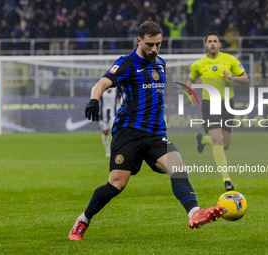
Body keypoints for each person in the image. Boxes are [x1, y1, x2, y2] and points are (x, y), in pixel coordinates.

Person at [68, 21, 225, 241]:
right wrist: (94, 100)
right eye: (150, 44)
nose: (154, 49)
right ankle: (83, 220)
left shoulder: (161, 63)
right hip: (128, 132)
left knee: (178, 167)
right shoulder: (126, 63)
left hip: (155, 134)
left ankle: (194, 213)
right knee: (117, 184)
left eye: (158, 44)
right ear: (139, 40)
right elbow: (102, 83)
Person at [186, 32, 249, 191]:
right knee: (219, 141)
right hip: (210, 104)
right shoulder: (199, 64)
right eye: (210, 41)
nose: (213, 44)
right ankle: (227, 181)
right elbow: (191, 79)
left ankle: (203, 140)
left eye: (215, 41)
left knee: (225, 144)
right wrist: (189, 93)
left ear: (220, 44)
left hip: (228, 104)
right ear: (205, 45)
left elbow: (245, 79)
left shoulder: (231, 60)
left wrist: (233, 78)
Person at [98, 87, 120, 157]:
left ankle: (114, 150)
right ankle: (107, 151)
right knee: (105, 132)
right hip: (103, 114)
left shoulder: (117, 89)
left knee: (113, 131)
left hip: (114, 113)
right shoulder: (101, 88)